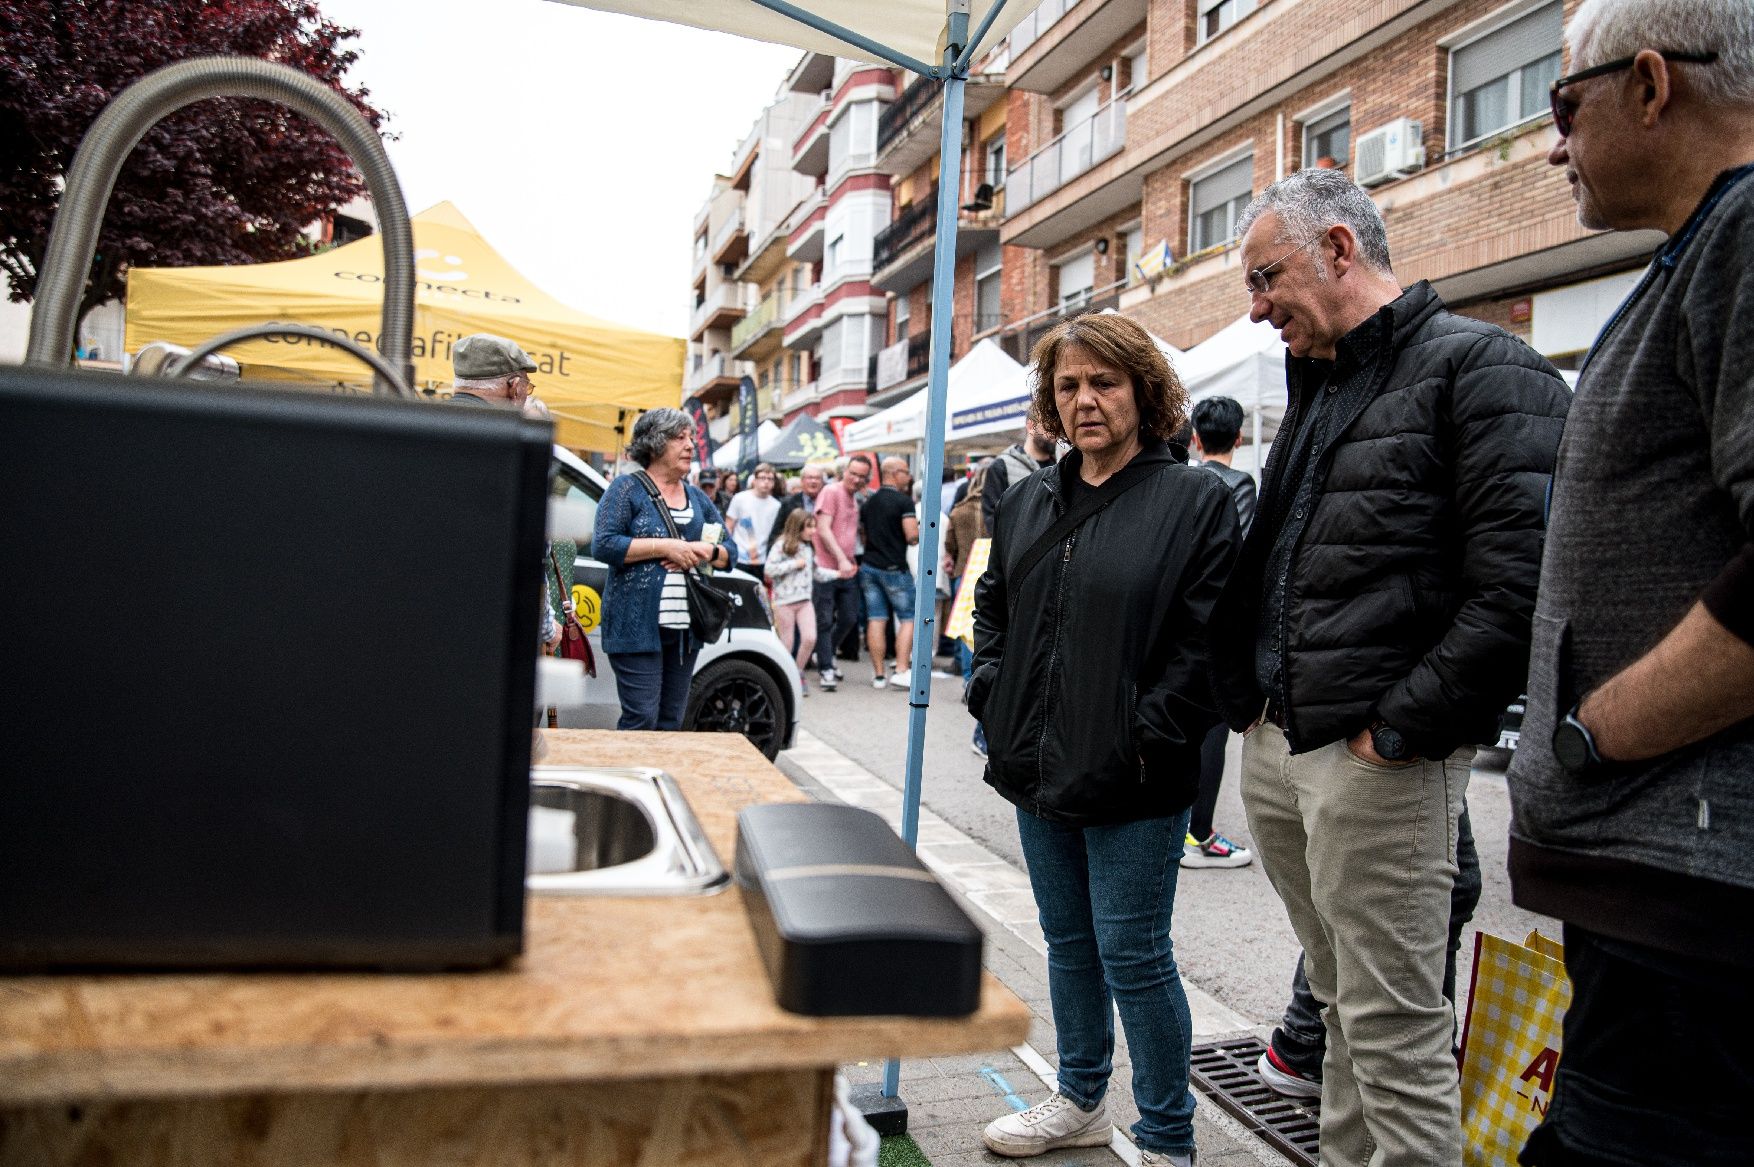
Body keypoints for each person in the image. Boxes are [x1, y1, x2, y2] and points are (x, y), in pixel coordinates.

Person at [1207, 168, 1570, 1167]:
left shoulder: (1481, 367)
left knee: (1394, 1033)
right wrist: (1247, 704)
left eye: (1262, 276)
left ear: (1335, 250)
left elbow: (1519, 587)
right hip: (1283, 739)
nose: (1253, 307)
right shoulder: (1322, 382)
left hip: (1374, 756)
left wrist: (1397, 732)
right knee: (1335, 1010)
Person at [1506, 4, 1754, 1163]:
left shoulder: (1744, 234)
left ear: (1649, 84)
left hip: (1692, 906)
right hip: (1660, 897)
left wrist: (1589, 737)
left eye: (1563, 105)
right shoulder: (1701, 251)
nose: (1553, 145)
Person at [971, 313, 1241, 1166]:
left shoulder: (1195, 499)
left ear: (1142, 389)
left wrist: (1143, 736)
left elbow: (1207, 646)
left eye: (1104, 382)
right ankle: (1080, 1097)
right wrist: (993, 696)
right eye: (1067, 385)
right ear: (1050, 399)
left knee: (1135, 955)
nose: (1085, 400)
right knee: (1068, 943)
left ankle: (1167, 1136)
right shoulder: (1026, 499)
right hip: (1035, 767)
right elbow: (992, 613)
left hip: (1134, 774)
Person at [593, 408, 736, 731]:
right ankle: (631, 779)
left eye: (691, 438)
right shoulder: (626, 489)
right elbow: (605, 544)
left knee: (671, 720)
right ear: (655, 444)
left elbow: (731, 552)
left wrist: (706, 551)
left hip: (686, 629)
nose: (690, 446)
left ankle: (655, 780)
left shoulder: (697, 498)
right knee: (641, 718)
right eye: (679, 438)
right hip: (636, 626)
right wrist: (666, 546)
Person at [1182, 395, 1258, 870]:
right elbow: (1242, 561)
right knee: (1210, 735)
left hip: (1176, 622)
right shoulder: (1239, 485)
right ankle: (1198, 835)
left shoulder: (1184, 481)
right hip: (1214, 631)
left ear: (1195, 438)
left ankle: (1180, 830)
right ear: (1239, 438)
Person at [811, 452, 871, 691]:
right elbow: (823, 529)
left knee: (849, 617)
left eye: (861, 476)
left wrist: (850, 560)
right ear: (844, 471)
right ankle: (826, 667)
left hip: (847, 567)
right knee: (824, 619)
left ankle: (823, 653)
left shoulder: (854, 497)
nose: (855, 479)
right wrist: (841, 559)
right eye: (852, 473)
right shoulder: (831, 492)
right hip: (827, 567)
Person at [860, 456, 920, 689]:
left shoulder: (868, 503)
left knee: (876, 618)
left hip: (869, 566)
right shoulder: (903, 502)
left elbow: (864, 536)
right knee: (908, 618)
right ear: (895, 473)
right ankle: (902, 669)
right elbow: (912, 537)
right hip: (895, 568)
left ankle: (878, 675)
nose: (908, 476)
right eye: (905, 471)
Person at [943, 465, 989, 753]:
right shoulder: (1000, 506)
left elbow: (949, 545)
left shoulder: (959, 509)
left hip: (965, 571)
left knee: (965, 627)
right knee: (985, 628)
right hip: (990, 570)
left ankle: (967, 680)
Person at [764, 508, 819, 696]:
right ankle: (783, 679)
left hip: (804, 600)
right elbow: (769, 570)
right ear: (798, 527)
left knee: (810, 637)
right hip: (784, 601)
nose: (813, 531)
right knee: (786, 642)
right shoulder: (781, 546)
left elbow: (815, 571)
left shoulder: (808, 547)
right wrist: (793, 564)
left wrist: (838, 574)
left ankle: (798, 671)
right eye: (809, 527)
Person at [981, 414, 1058, 536]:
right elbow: (992, 518)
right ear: (1031, 426)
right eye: (1050, 426)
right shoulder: (1002, 466)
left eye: (1058, 427)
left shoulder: (1060, 468)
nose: (1055, 433)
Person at [725, 462, 782, 582]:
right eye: (762, 478)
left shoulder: (776, 505)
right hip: (740, 558)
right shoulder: (740, 498)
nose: (766, 482)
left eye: (770, 479)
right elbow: (728, 527)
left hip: (763, 560)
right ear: (754, 480)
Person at [771, 462, 826, 550]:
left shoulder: (828, 501)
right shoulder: (789, 503)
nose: (813, 481)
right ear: (802, 481)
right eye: (810, 478)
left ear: (822, 482)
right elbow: (777, 532)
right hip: (797, 554)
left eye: (817, 478)